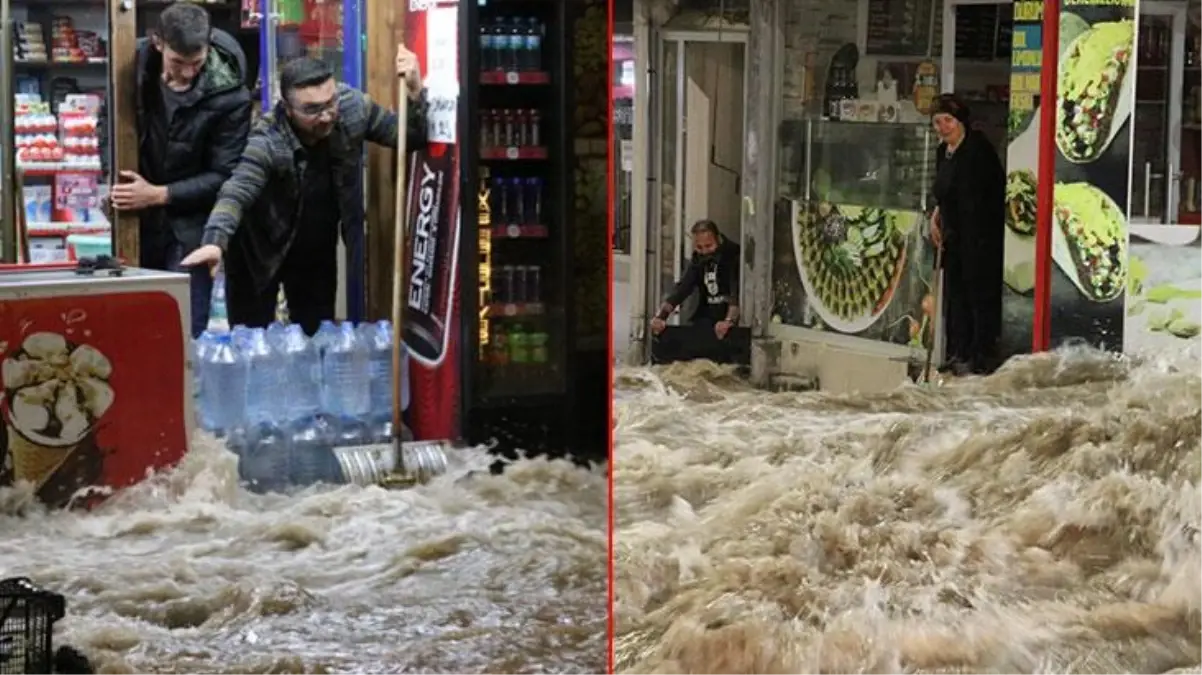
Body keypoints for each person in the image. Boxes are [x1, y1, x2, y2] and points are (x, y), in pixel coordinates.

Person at [179, 51, 427, 335]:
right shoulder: (268, 139)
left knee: (316, 338)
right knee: (250, 339)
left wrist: (415, 89)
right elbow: (237, 191)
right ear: (287, 108)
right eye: (311, 109)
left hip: (315, 245)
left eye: (330, 102)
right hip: (259, 249)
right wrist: (215, 242)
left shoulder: (352, 108)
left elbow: (411, 136)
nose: (325, 116)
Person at [107, 3, 251, 337]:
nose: (187, 73)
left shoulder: (231, 95)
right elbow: (109, 122)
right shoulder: (134, 67)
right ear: (158, 43)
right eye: (178, 62)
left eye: (196, 63)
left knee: (185, 331)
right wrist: (114, 173)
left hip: (192, 226)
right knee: (134, 329)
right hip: (136, 223)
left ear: (209, 44)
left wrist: (157, 194)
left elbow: (225, 175)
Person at [928, 94, 1005, 376]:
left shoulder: (978, 151)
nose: (943, 127)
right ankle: (957, 352)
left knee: (978, 295)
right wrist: (936, 217)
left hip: (981, 237)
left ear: (961, 122)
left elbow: (990, 196)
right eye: (937, 122)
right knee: (956, 295)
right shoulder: (942, 153)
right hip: (954, 235)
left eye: (948, 121)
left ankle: (980, 357)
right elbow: (943, 192)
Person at [649, 220, 742, 362]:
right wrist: (661, 316)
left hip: (730, 318)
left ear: (718, 239)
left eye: (709, 246)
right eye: (699, 247)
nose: (704, 251)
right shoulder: (698, 259)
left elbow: (735, 293)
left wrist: (728, 321)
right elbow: (682, 288)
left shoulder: (732, 256)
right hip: (706, 316)